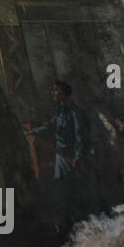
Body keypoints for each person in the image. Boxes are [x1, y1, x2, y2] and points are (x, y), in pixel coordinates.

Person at [28, 81, 90, 224]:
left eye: (56, 91)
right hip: (61, 157)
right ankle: (69, 220)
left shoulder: (74, 112)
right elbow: (51, 126)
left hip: (71, 159)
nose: (53, 94)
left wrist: (77, 158)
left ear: (63, 93)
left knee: (73, 191)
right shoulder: (61, 111)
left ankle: (80, 221)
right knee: (62, 190)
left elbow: (80, 136)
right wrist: (33, 131)